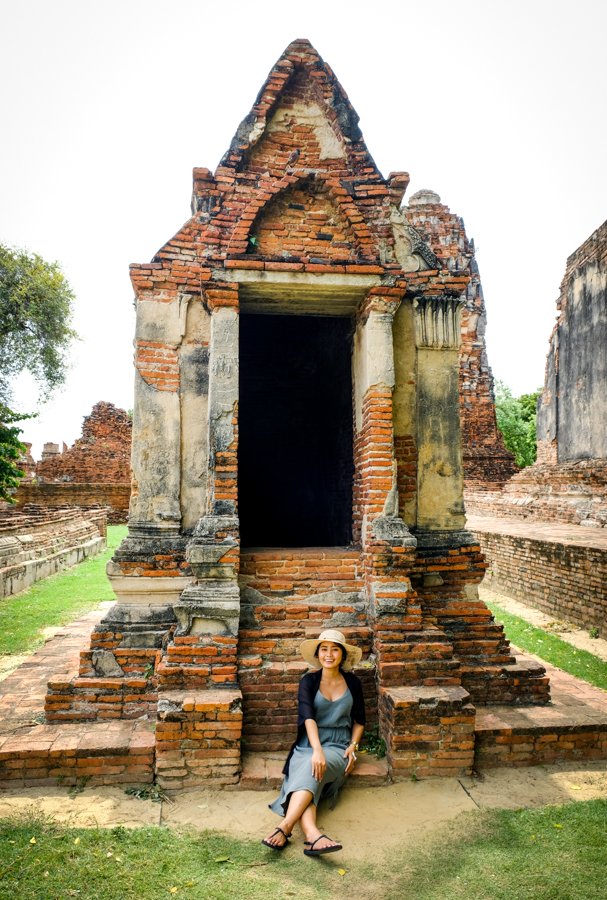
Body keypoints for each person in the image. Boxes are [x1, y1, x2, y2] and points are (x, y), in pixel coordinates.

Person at [262, 628, 366, 856]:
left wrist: (353, 746)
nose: (329, 655)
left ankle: (285, 827)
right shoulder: (308, 681)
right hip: (309, 744)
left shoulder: (353, 683)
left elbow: (360, 721)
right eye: (324, 649)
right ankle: (312, 834)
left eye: (335, 650)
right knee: (311, 768)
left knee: (311, 770)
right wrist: (316, 750)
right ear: (318, 654)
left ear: (343, 655)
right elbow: (307, 716)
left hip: (339, 746)